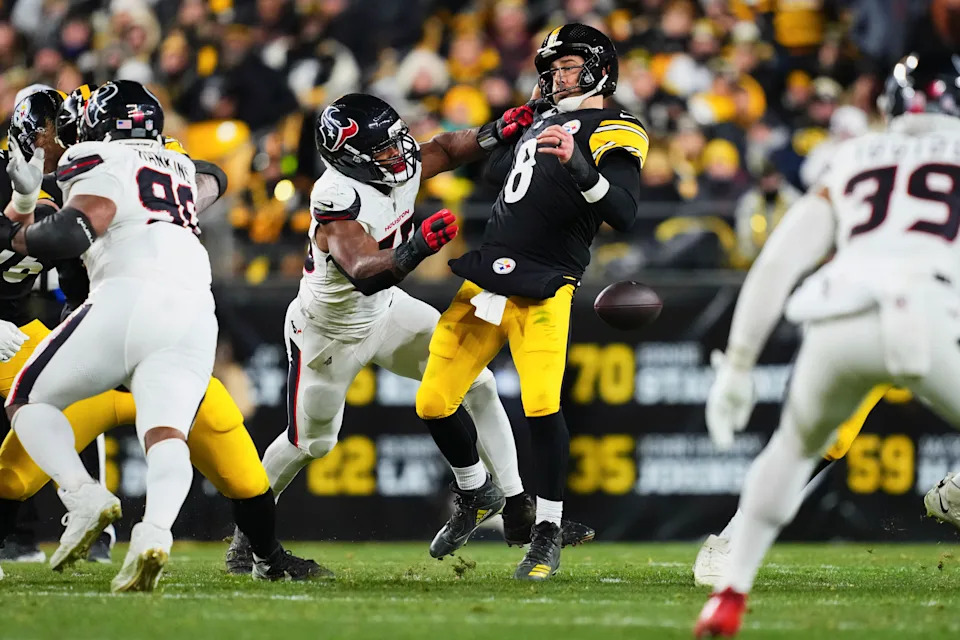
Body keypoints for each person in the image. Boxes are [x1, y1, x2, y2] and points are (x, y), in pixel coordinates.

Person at [224, 92, 595, 573]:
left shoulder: (395, 160)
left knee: (475, 382)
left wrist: (496, 131)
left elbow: (443, 148)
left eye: (395, 143)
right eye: (383, 151)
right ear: (349, 157)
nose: (398, 155)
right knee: (310, 441)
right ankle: (247, 532)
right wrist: (417, 246)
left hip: (385, 311)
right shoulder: (337, 194)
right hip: (329, 333)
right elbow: (363, 270)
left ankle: (511, 503)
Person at [0, 84, 324, 585]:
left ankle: (265, 554)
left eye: (68, 128)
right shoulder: (137, 162)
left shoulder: (97, 160)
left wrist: (25, 215)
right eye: (51, 131)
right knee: (14, 473)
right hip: (158, 324)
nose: (60, 139)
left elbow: (70, 228)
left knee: (239, 465)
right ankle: (148, 533)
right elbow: (202, 177)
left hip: (115, 320)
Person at [695, 53, 960, 637]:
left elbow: (777, 263)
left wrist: (737, 364)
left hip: (843, 316)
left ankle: (729, 589)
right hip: (931, 316)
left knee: (795, 446)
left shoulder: (852, 155)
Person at [414, 24, 645, 580]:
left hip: (546, 280)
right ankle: (476, 493)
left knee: (541, 405)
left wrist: (579, 165)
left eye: (566, 66)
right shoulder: (543, 116)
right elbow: (497, 173)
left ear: (597, 69)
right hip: (489, 273)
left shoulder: (618, 126)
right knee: (432, 402)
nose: (555, 76)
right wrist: (508, 131)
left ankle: (546, 530)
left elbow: (626, 213)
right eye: (552, 67)